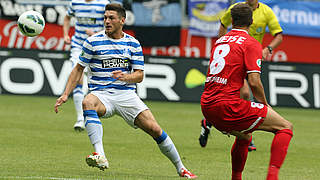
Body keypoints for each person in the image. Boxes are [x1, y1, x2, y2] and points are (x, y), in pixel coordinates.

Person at [55, 3, 197, 179]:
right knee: (87, 102)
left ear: (122, 20)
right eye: (105, 17)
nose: (107, 21)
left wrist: (125, 77)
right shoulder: (92, 42)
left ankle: (181, 168)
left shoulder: (133, 44)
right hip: (101, 94)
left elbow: (139, 75)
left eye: (111, 18)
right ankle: (100, 154)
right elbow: (78, 69)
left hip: (126, 95)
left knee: (155, 129)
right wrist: (65, 94)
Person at [201, 3, 293, 180]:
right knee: (285, 127)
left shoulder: (219, 41)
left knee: (245, 136)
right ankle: (272, 178)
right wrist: (266, 106)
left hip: (207, 106)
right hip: (227, 106)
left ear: (232, 21)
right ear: (251, 22)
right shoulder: (251, 43)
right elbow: (254, 82)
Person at [63, 0, 110, 131]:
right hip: (78, 46)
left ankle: (90, 112)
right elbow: (67, 18)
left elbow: (111, 25)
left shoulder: (103, 4)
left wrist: (96, 35)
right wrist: (66, 35)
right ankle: (80, 119)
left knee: (95, 81)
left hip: (98, 45)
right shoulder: (75, 3)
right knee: (78, 78)